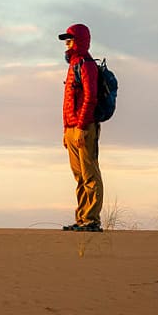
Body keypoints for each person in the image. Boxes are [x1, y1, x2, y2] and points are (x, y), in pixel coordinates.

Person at [59, 23, 104, 232]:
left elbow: (90, 98)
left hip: (83, 128)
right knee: (79, 176)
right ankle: (82, 218)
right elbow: (69, 102)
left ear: (80, 41)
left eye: (70, 39)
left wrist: (82, 127)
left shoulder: (86, 65)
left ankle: (92, 220)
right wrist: (66, 130)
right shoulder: (73, 65)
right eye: (66, 40)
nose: (67, 44)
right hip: (72, 129)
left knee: (89, 175)